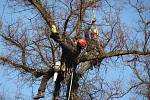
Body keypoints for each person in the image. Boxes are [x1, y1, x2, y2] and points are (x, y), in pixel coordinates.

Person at [33, 25, 87, 99]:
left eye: (76, 41)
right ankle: (56, 96)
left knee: (46, 76)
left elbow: (61, 42)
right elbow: (69, 42)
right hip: (66, 70)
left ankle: (41, 92)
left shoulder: (69, 48)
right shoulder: (78, 51)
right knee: (58, 81)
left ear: (77, 43)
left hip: (61, 66)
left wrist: (55, 34)